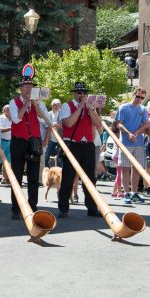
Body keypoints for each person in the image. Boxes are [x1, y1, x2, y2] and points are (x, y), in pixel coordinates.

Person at [57, 82, 103, 218]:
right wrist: (81, 107)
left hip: (88, 144)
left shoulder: (89, 107)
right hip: (72, 144)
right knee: (68, 177)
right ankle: (63, 208)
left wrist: (91, 110)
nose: (82, 95)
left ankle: (92, 207)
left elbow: (98, 124)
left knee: (90, 178)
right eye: (79, 93)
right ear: (74, 93)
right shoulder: (67, 106)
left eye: (84, 93)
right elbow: (68, 123)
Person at [8, 76, 48, 220]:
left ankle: (33, 206)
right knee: (17, 177)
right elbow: (16, 119)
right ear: (20, 88)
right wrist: (25, 105)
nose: (28, 89)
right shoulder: (14, 102)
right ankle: (16, 208)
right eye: (25, 86)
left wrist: (35, 105)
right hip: (19, 141)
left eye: (30, 86)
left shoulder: (39, 103)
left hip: (34, 142)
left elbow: (44, 119)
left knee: (33, 176)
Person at [114, 87, 149, 204]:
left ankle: (134, 193)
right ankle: (126, 194)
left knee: (137, 169)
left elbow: (146, 124)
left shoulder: (143, 109)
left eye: (142, 98)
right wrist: (129, 134)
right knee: (125, 168)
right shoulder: (123, 107)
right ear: (133, 95)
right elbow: (119, 124)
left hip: (138, 142)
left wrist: (137, 133)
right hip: (125, 142)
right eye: (137, 96)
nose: (139, 99)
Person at [44, 99, 62, 167]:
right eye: (54, 105)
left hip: (59, 139)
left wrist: (59, 126)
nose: (56, 106)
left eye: (58, 105)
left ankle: (60, 173)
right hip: (50, 139)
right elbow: (46, 126)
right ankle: (46, 170)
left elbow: (65, 126)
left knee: (59, 158)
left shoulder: (61, 114)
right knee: (46, 155)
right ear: (52, 105)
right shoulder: (49, 114)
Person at [0, 105, 12, 185]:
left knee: (8, 162)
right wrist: (10, 129)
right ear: (4, 110)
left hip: (10, 141)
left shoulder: (12, 118)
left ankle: (5, 178)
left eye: (10, 109)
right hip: (2, 141)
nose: (9, 110)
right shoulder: (1, 118)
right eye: (7, 109)